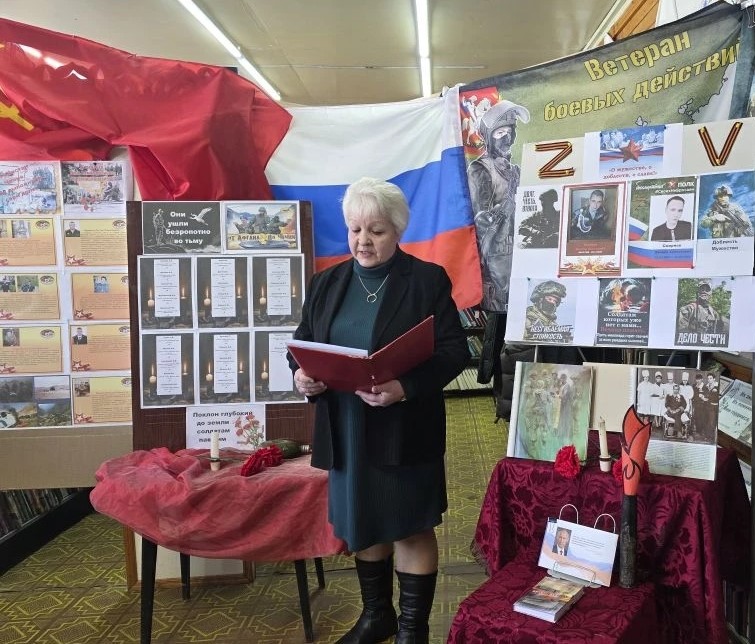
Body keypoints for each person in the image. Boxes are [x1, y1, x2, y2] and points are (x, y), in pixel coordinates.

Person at [288, 177, 468, 644]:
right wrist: (302, 377)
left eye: (376, 230)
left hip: (404, 425)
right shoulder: (326, 283)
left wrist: (404, 387)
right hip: (346, 428)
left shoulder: (426, 281)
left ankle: (411, 630)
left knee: (409, 526)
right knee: (363, 521)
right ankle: (376, 617)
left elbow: (454, 351)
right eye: (355, 230)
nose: (363, 241)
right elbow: (302, 344)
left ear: (398, 230)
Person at [466, 99, 530, 311]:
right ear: (489, 136)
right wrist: (506, 209)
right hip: (496, 263)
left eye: (509, 131)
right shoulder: (479, 170)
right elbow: (480, 221)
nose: (506, 137)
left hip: (522, 254)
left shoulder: (516, 171)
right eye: (499, 132)